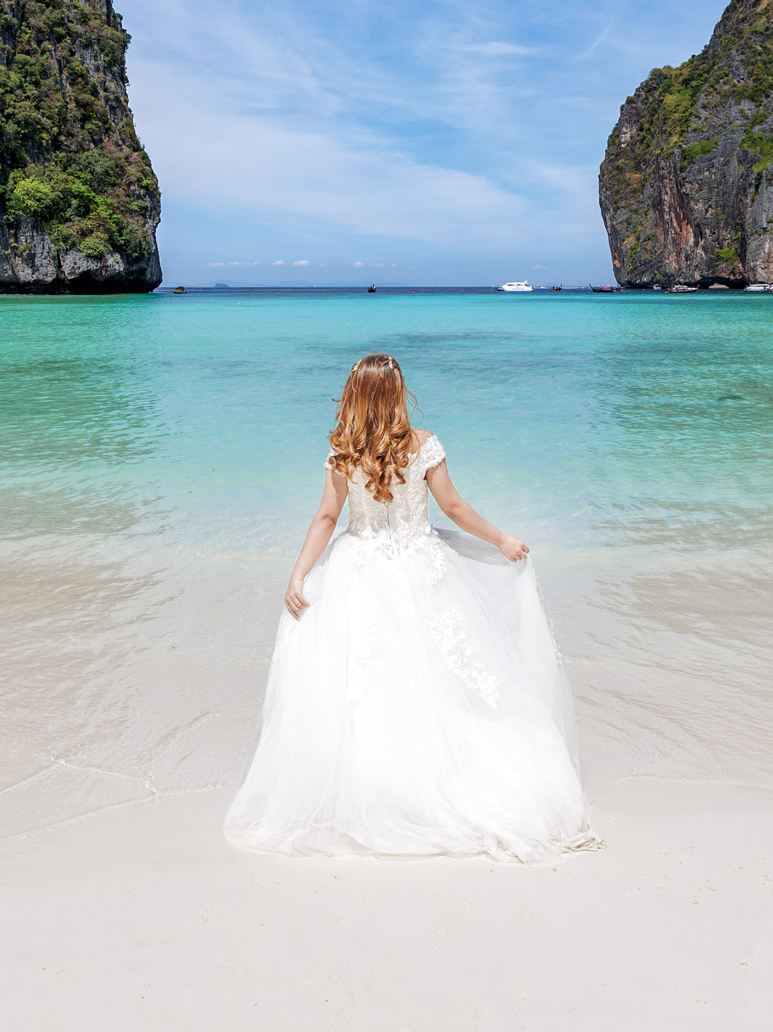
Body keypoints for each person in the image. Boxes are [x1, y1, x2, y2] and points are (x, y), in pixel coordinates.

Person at [223, 353, 599, 862]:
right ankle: (437, 777)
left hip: (358, 569)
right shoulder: (423, 445)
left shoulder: (342, 452)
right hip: (420, 568)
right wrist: (502, 539)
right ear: (397, 394)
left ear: (355, 394)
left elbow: (326, 518)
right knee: (438, 674)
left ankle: (372, 788)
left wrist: (298, 574)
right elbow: (455, 508)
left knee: (366, 684)